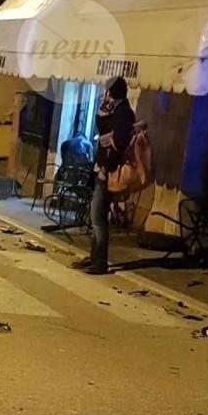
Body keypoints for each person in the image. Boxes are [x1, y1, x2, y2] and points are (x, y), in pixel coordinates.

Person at [74, 76, 135, 275]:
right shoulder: (116, 111)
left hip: (109, 173)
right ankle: (94, 256)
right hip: (102, 169)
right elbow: (103, 133)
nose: (102, 94)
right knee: (95, 215)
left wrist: (105, 169)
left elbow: (119, 144)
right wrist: (101, 114)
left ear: (111, 92)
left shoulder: (123, 113)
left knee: (99, 217)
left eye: (105, 91)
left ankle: (100, 261)